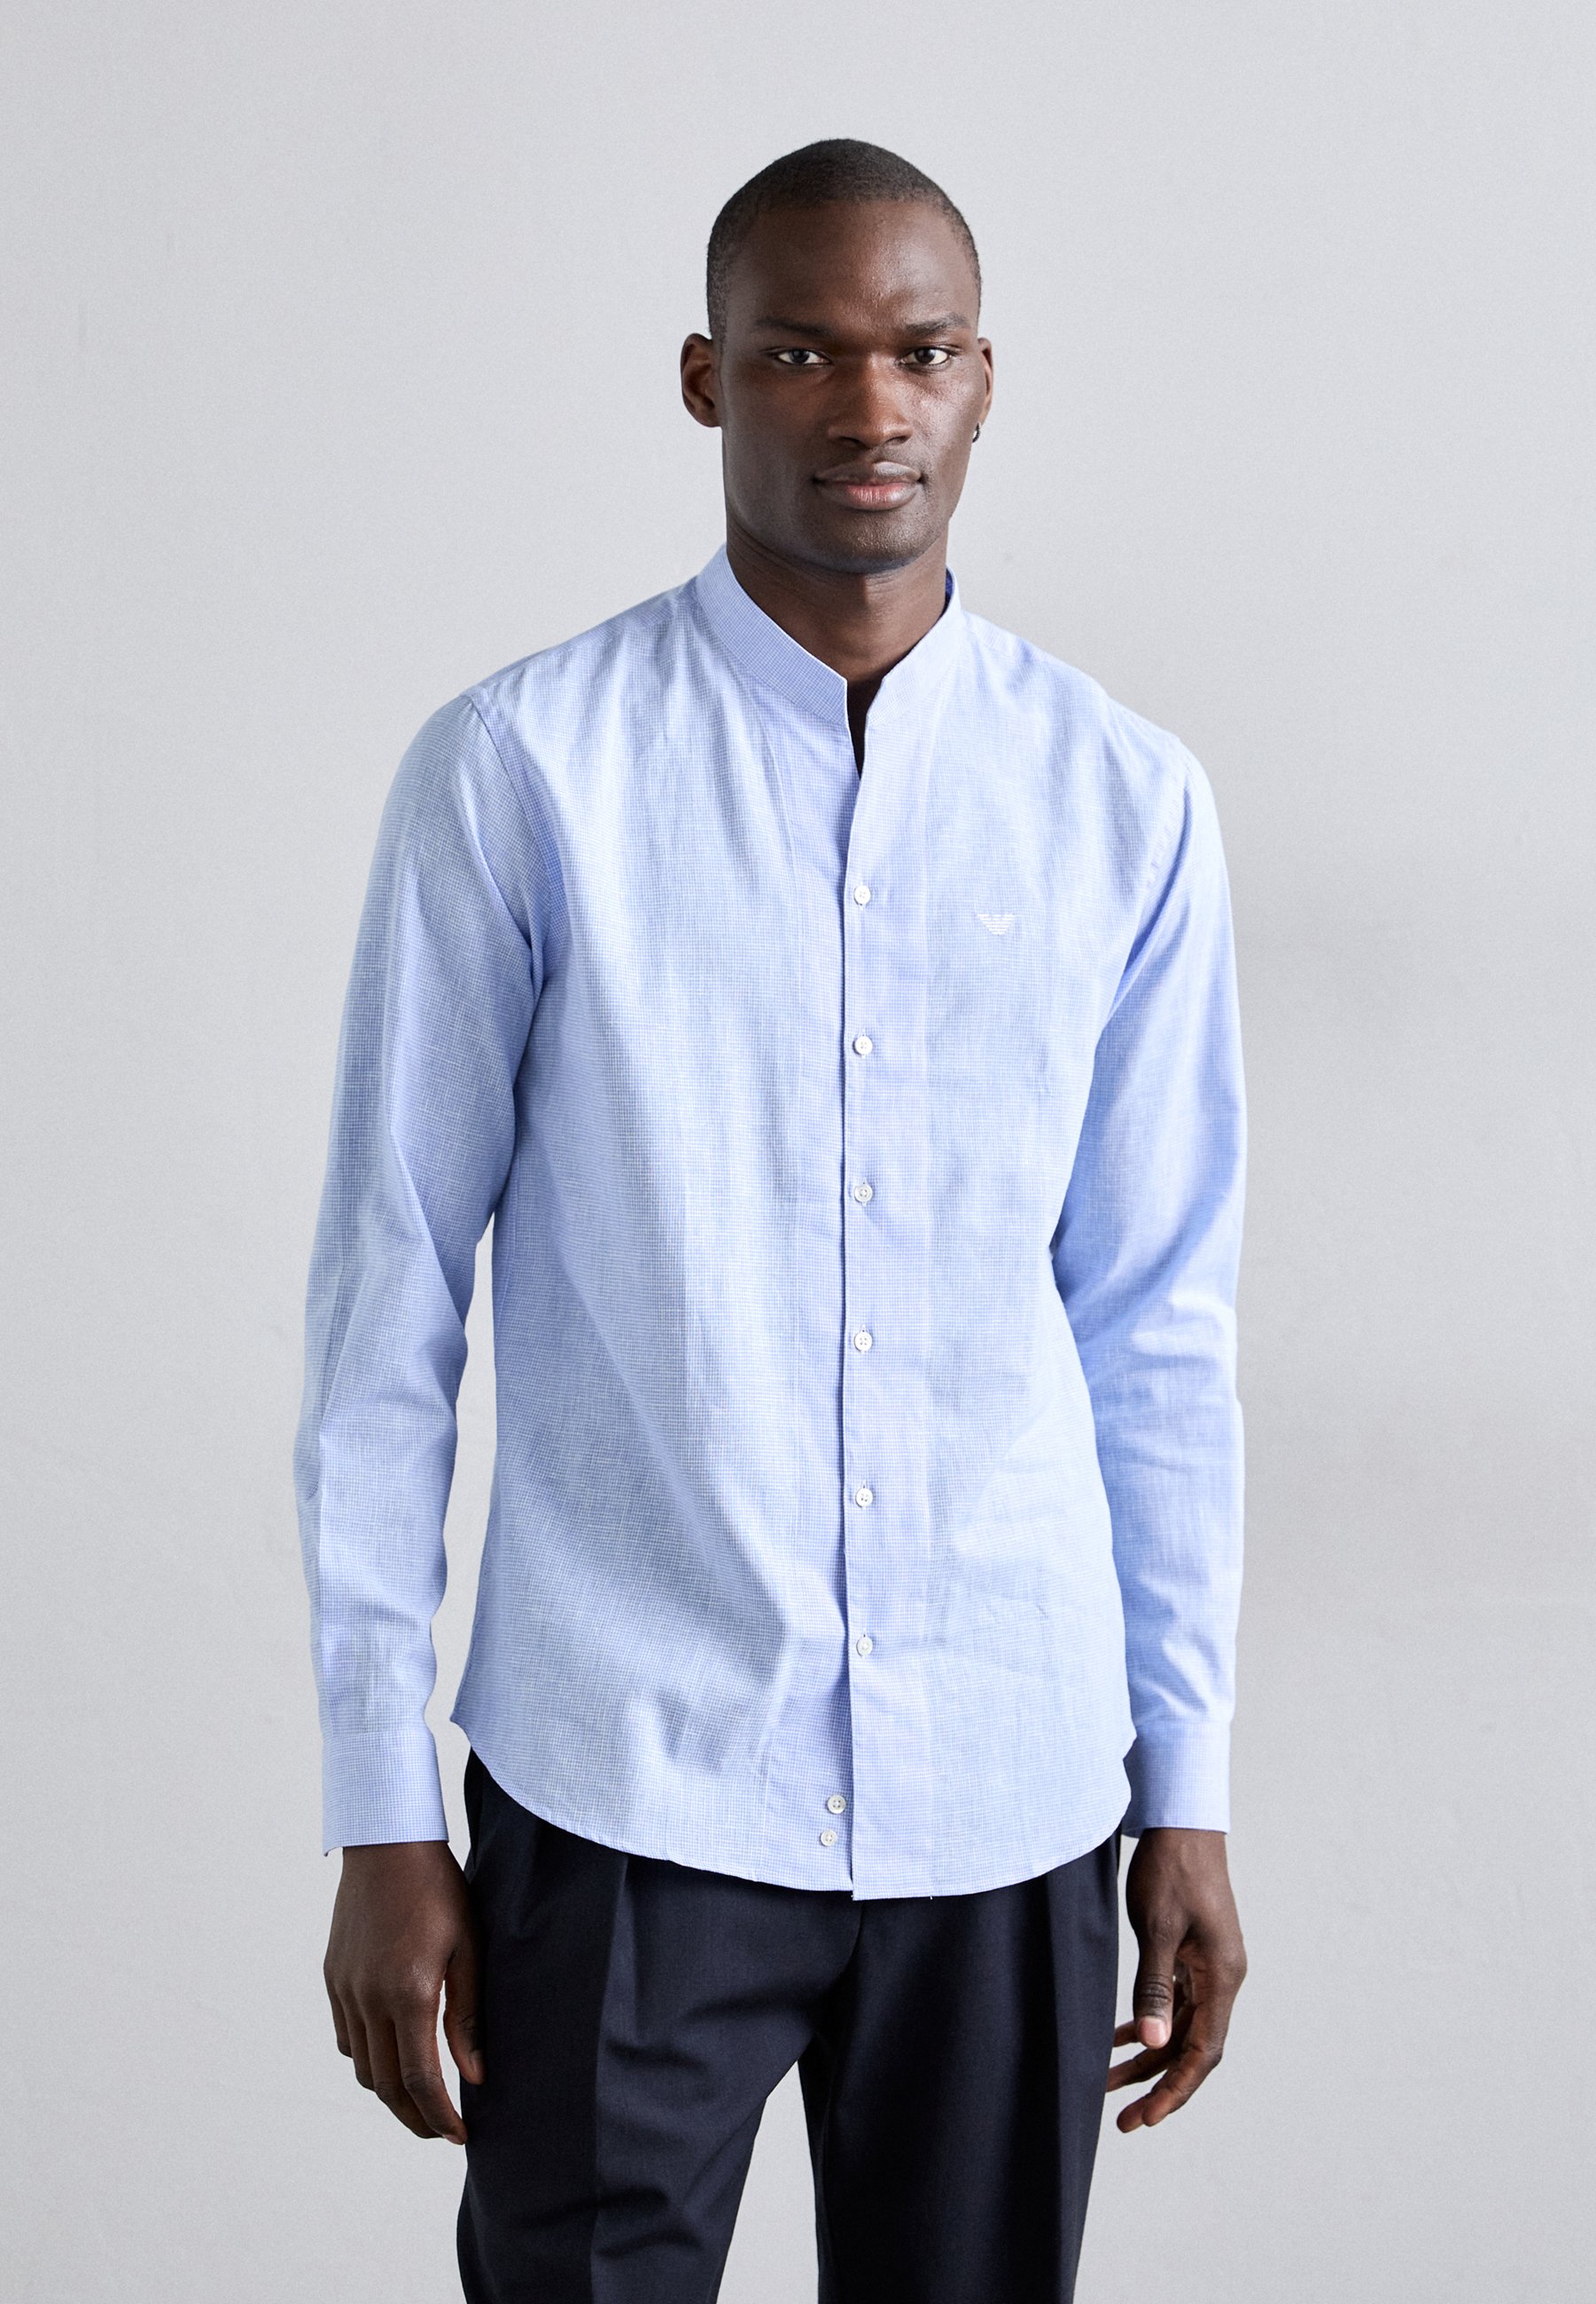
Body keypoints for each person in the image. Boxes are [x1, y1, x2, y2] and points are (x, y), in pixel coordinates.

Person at [295, 137, 1249, 2304]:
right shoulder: (524, 772)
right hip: (629, 1782)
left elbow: (1156, 1328)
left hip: (1009, 1787)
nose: (868, 404)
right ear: (705, 378)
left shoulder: (1121, 802)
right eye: (804, 352)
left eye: (920, 350)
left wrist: (1181, 1780)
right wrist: (379, 1804)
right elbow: (384, 1309)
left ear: (983, 378)